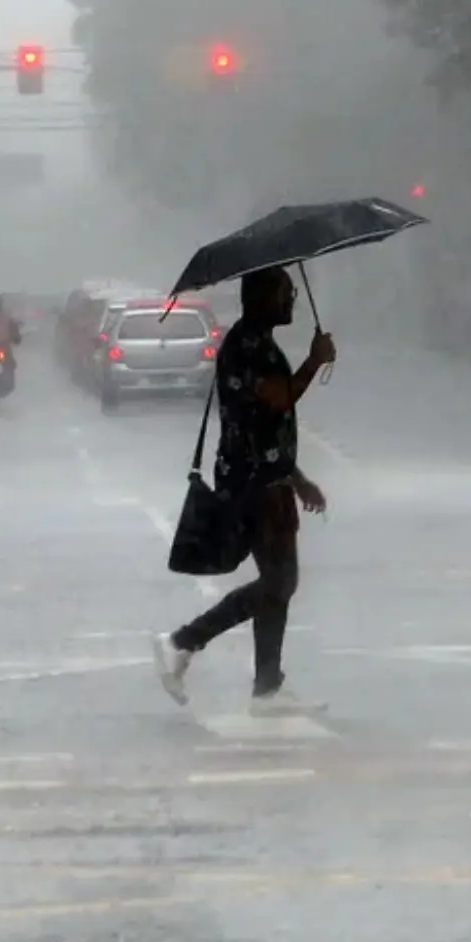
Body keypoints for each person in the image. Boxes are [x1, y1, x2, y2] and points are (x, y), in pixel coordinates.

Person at [153, 265, 337, 716]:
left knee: (280, 581)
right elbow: (278, 398)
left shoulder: (259, 342)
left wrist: (297, 479)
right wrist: (315, 361)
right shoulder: (244, 346)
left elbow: (267, 424)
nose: (291, 301)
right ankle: (183, 642)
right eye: (284, 294)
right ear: (259, 299)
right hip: (252, 484)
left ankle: (267, 688)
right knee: (280, 581)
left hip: (268, 478)